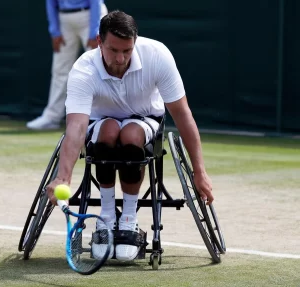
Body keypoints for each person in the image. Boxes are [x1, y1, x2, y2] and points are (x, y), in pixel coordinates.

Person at [46, 10, 214, 261]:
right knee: (110, 130)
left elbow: (183, 115)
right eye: (114, 50)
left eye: (127, 50)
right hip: (101, 122)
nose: (121, 58)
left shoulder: (157, 55)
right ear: (99, 42)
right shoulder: (83, 69)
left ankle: (128, 219)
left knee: (131, 134)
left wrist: (199, 171)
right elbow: (76, 128)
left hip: (145, 119)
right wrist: (63, 177)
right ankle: (105, 218)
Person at [27, 0, 107, 130]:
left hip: (91, 15)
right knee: (60, 70)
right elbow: (51, 2)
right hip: (64, 19)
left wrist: (95, 31)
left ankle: (100, 117)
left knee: (98, 67)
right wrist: (55, 31)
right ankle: (51, 117)